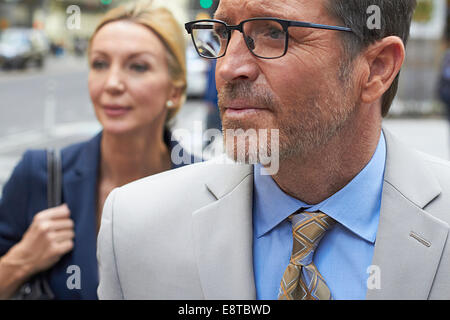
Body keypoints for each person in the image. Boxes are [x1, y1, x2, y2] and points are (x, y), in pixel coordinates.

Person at [98, 0, 450, 300]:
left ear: (376, 68)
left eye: (273, 33)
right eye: (223, 33)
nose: (227, 67)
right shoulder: (137, 228)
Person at [0, 1, 191, 299]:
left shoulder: (207, 187)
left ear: (175, 90)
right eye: (100, 64)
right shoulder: (39, 175)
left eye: (138, 66)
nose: (112, 83)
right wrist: (22, 259)